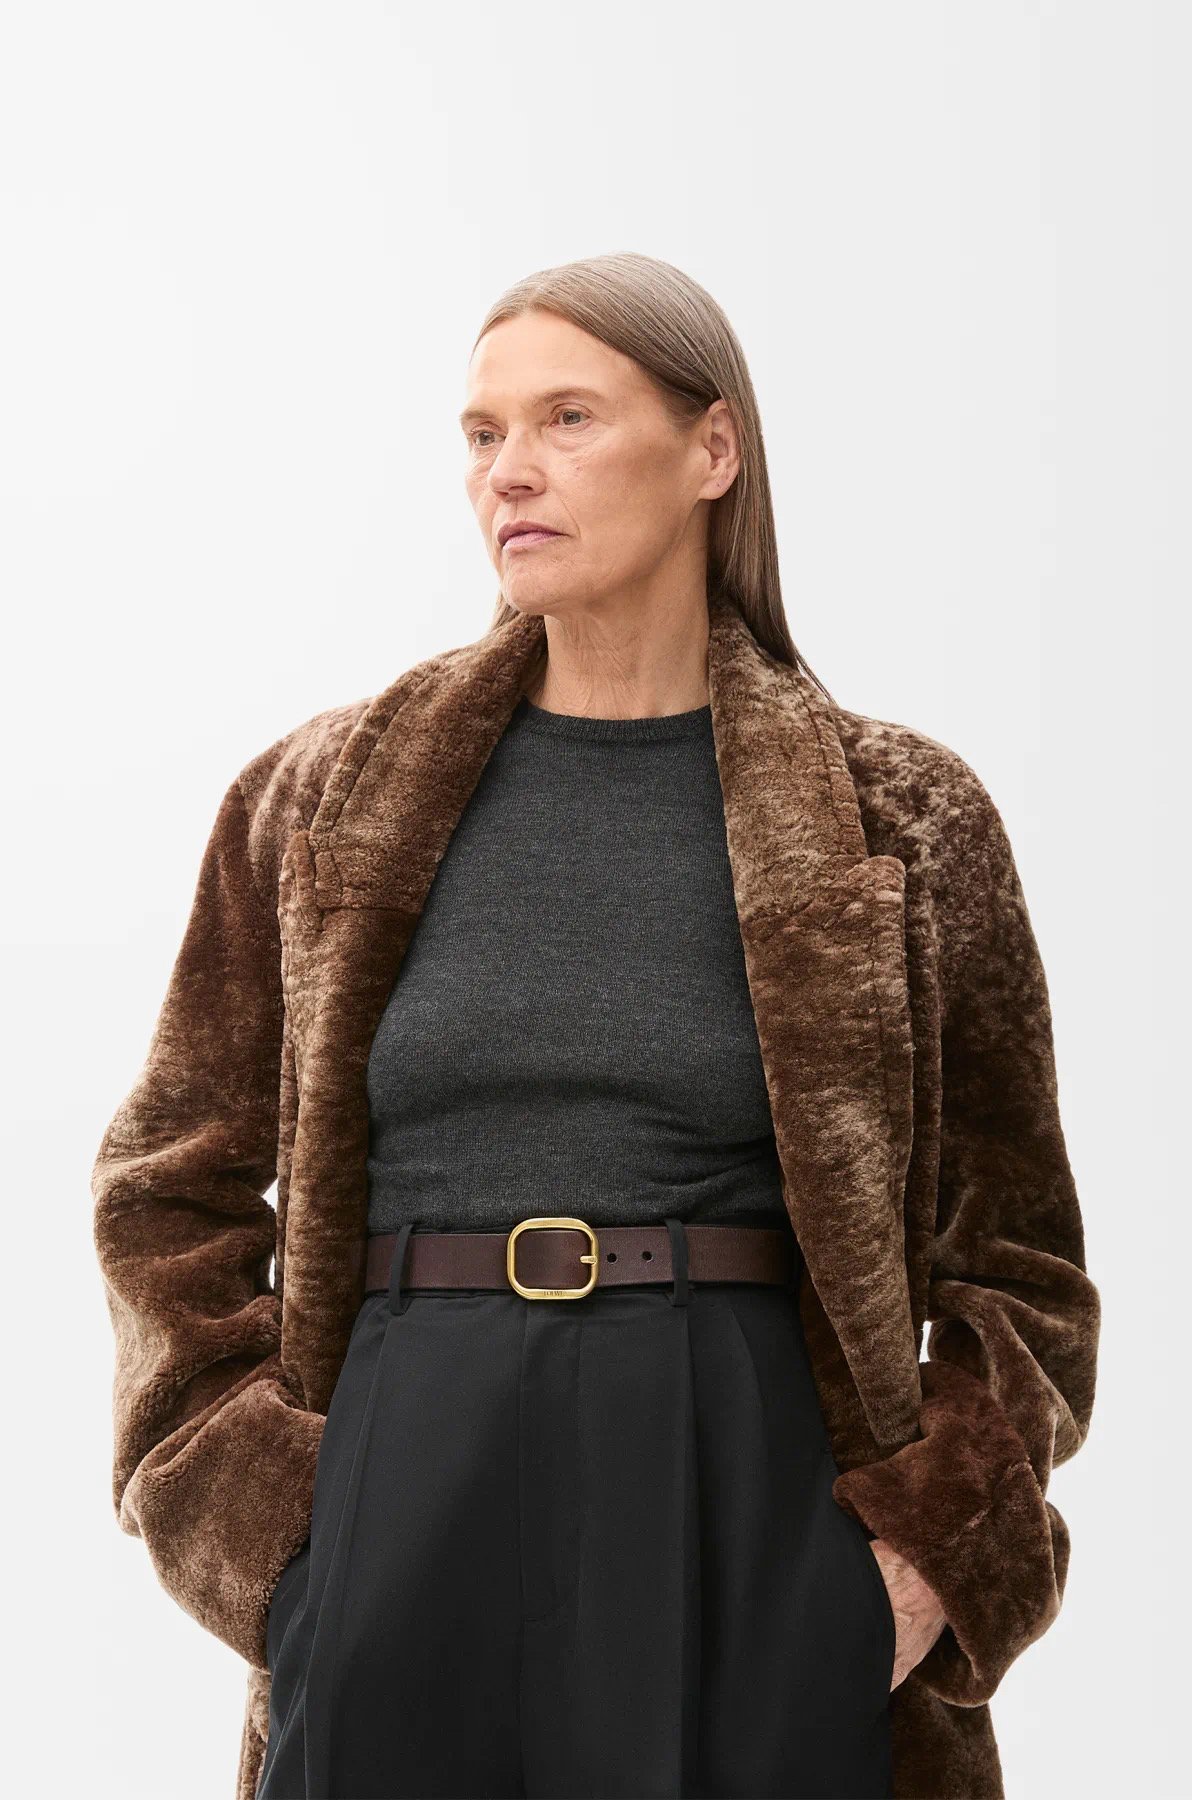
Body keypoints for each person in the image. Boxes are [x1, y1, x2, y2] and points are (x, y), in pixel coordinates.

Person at [92, 252, 1100, 1800]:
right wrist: (275, 1538)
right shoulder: (316, 805)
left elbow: (1018, 1261)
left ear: (713, 450)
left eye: (568, 417)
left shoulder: (900, 817)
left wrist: (918, 1571)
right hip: (400, 1474)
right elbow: (167, 1189)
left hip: (750, 1484)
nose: (511, 470)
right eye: (482, 432)